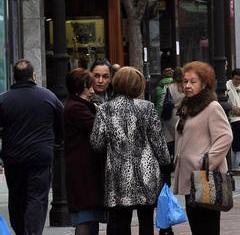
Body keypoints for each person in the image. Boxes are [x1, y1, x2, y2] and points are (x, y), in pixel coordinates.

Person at [90, 66, 171, 235]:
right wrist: (166, 163)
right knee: (146, 218)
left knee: (120, 219)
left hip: (118, 173)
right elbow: (158, 142)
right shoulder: (147, 107)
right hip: (146, 171)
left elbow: (97, 143)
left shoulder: (105, 109)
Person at [0, 60, 63, 235]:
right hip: (41, 155)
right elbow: (61, 121)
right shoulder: (48, 96)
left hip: (14, 157)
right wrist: (56, 142)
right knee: (37, 197)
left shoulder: (4, 100)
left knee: (16, 195)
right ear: (33, 76)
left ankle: (21, 230)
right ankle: (32, 232)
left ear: (14, 77)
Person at [173, 61, 233, 235]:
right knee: (197, 226)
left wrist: (206, 161)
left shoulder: (212, 107)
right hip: (190, 177)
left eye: (193, 82)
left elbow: (225, 136)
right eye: (185, 81)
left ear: (204, 84)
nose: (187, 86)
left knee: (207, 227)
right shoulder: (187, 106)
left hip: (205, 178)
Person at [64, 68, 106, 235]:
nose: (91, 91)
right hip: (83, 171)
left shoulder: (80, 105)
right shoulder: (76, 108)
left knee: (90, 215)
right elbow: (98, 128)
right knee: (85, 216)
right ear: (78, 87)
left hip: (86, 169)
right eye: (87, 87)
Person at [226, 67, 240, 174]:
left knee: (239, 142)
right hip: (233, 118)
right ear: (232, 78)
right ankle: (236, 166)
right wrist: (232, 107)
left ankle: (237, 165)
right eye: (236, 79)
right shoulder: (227, 87)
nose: (238, 81)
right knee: (238, 141)